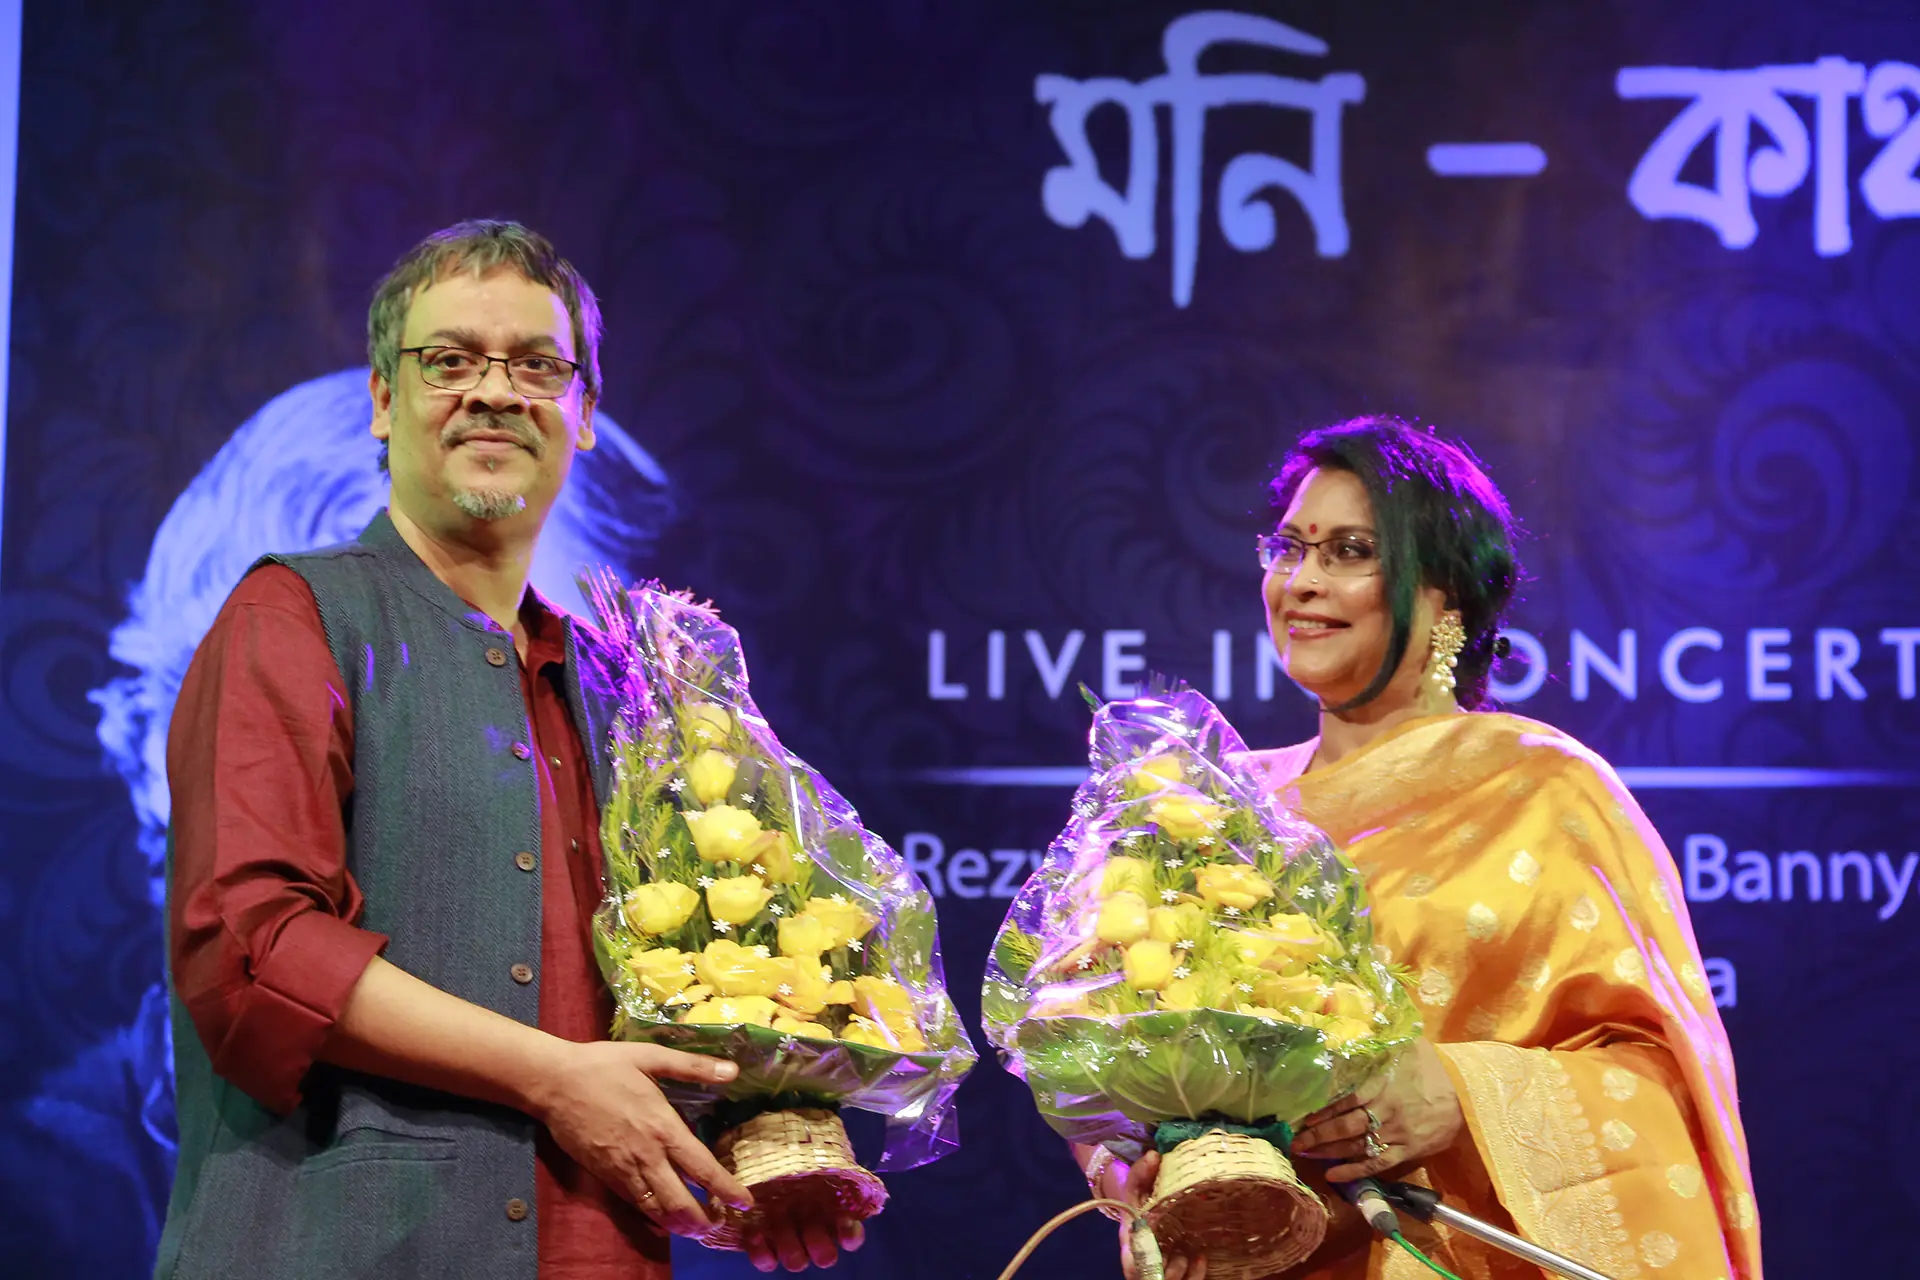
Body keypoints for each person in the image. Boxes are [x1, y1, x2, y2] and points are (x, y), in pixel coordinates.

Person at [158, 220, 856, 1278]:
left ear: (584, 413)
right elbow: (254, 951)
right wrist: (552, 1076)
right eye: (449, 361)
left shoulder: (628, 692)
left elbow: (692, 983)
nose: (494, 391)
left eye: (536, 365)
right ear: (384, 401)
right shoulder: (293, 615)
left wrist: (755, 1135)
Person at [1087, 416, 1762, 1279]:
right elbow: (1112, 1052)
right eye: (1289, 548)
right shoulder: (1213, 811)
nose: (1302, 581)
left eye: (1350, 552)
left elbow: (1662, 1076)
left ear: (1446, 598)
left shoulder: (1542, 788)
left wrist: (1464, 1093)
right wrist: (1128, 1170)